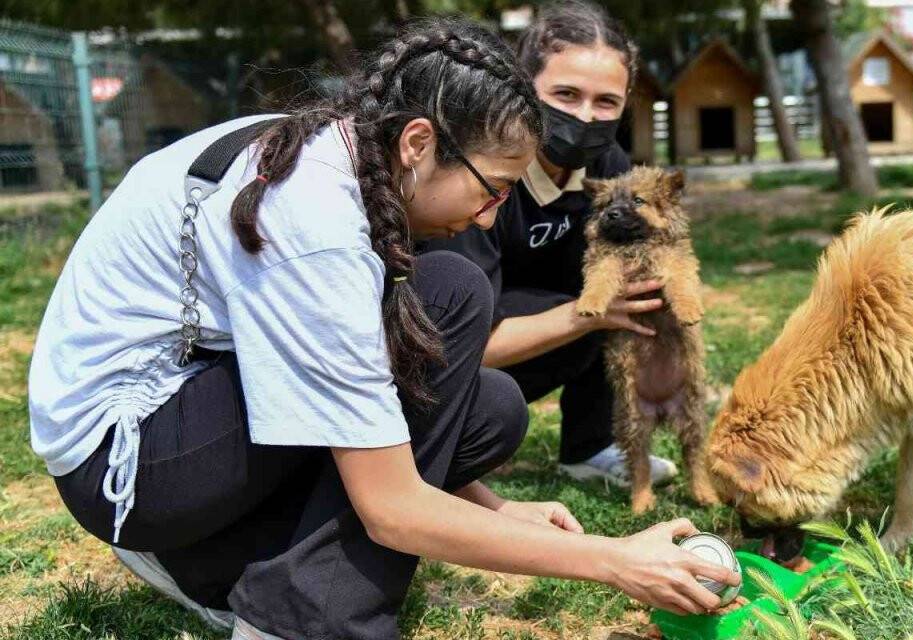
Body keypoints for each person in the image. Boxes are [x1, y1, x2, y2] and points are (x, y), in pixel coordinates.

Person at [28, 17, 736, 640]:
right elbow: (392, 507)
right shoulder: (313, 221)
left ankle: (214, 557)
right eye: (490, 189)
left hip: (192, 412)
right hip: (130, 458)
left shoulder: (352, 159)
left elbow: (381, 412)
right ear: (419, 141)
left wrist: (500, 509)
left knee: (485, 396)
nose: (491, 217)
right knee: (453, 296)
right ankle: (299, 617)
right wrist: (615, 561)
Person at [422, 0, 678, 486]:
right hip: (445, 350)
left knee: (634, 291)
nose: (585, 116)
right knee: (602, 308)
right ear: (523, 86)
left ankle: (591, 446)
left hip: (539, 318)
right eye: (565, 94)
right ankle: (445, 435)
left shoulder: (608, 168)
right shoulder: (478, 170)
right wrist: (589, 314)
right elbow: (448, 344)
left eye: (606, 102)